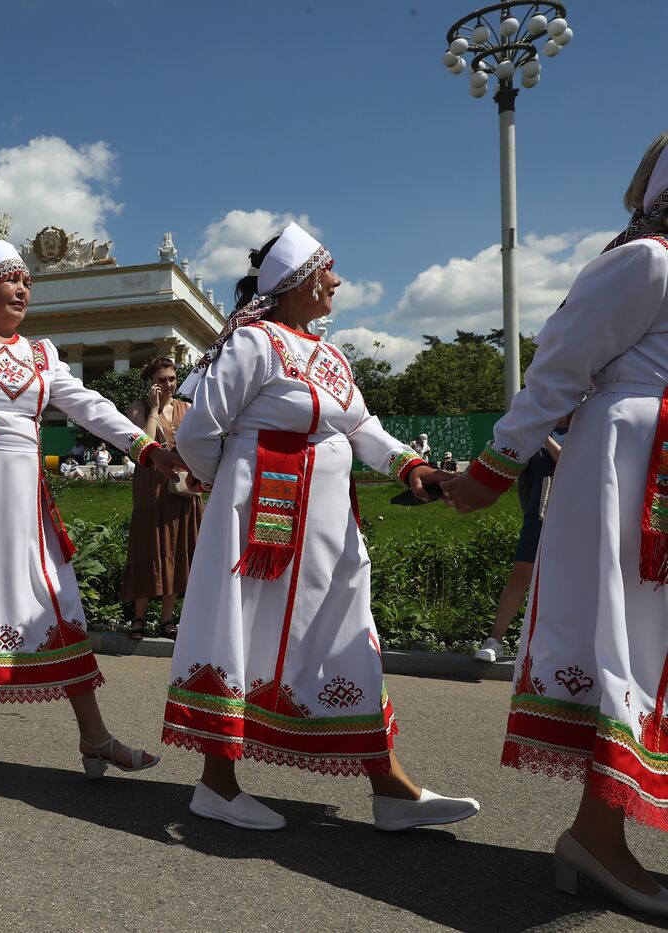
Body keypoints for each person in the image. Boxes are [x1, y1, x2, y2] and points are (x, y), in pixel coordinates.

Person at [165, 222, 479, 833]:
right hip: (263, 525)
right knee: (242, 628)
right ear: (301, 282)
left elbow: (362, 428)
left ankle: (390, 790)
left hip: (330, 525)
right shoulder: (253, 343)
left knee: (348, 630)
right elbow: (198, 433)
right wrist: (233, 491)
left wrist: (410, 464)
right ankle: (216, 785)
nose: (336, 280)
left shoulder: (330, 355)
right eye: (327, 270)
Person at [441, 132, 668, 915]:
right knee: (628, 642)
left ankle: (596, 834)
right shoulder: (647, 261)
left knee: (649, 646)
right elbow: (557, 369)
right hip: (630, 466)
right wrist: (493, 468)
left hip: (653, 462)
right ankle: (597, 840)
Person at [0, 238, 188, 787]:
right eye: (12, 280)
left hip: (25, 495)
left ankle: (94, 735)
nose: (23, 289)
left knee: (55, 601)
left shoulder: (41, 353)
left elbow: (87, 405)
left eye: (28, 282)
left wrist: (145, 450)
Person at [473, 417, 568, 663]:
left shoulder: (587, 430)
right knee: (519, 577)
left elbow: (566, 460)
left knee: (572, 583)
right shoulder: (535, 437)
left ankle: (567, 645)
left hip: (578, 520)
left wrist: (543, 435)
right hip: (538, 518)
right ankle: (495, 640)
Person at [122, 356, 203, 640]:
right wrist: (154, 410)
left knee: (178, 549)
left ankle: (167, 619)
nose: (168, 384)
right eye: (161, 380)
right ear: (151, 382)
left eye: (172, 378)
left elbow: (200, 443)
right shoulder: (139, 408)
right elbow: (141, 444)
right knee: (149, 547)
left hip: (182, 485)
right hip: (152, 488)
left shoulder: (187, 408)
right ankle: (139, 617)